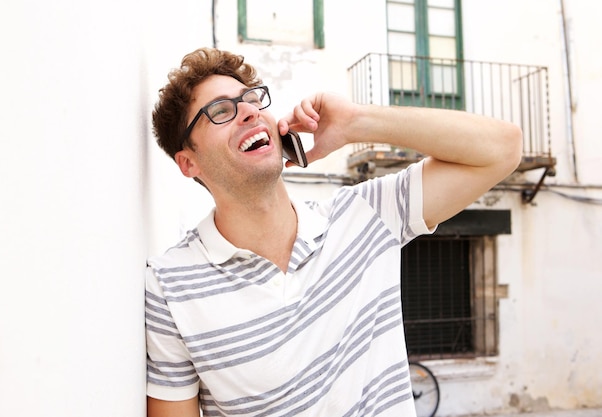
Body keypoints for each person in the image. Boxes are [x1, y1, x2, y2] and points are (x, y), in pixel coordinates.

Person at [145, 47, 522, 417]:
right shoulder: (170, 288)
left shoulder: (365, 215)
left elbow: (502, 149)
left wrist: (358, 122)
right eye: (220, 111)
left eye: (251, 99)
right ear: (189, 162)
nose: (248, 111)